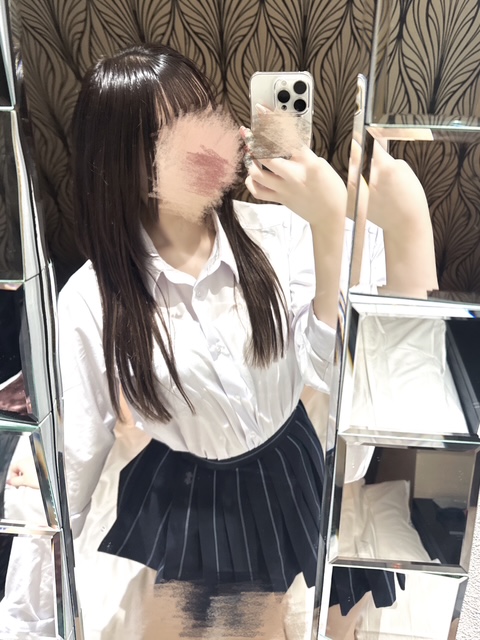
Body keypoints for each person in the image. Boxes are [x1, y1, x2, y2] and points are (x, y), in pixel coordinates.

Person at [0, 43, 438, 640]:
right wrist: (27, 623)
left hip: (290, 464)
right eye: (170, 134)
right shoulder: (92, 301)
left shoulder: (280, 234)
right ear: (124, 164)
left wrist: (333, 223)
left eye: (205, 111)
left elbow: (341, 373)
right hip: (192, 497)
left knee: (335, 609)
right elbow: (66, 473)